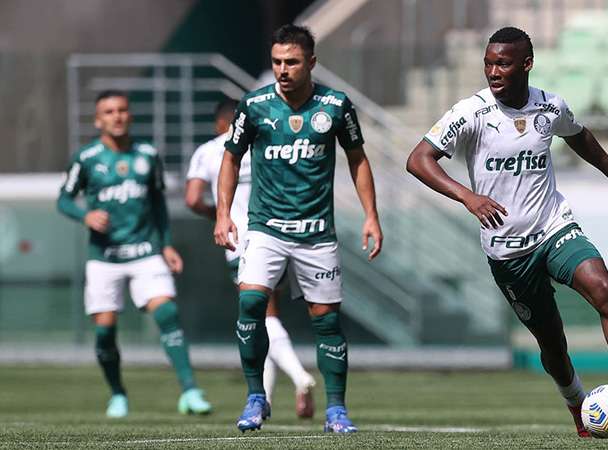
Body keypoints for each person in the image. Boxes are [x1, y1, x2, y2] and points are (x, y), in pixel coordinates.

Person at [406, 27, 608, 436]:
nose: (493, 71)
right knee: (552, 343)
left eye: (502, 63)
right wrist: (468, 196)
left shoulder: (550, 107)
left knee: (605, 292)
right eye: (488, 63)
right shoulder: (471, 112)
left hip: (553, 228)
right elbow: (418, 159)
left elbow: (579, 136)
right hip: (507, 251)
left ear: (526, 64)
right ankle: (577, 407)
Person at [214, 24, 382, 433]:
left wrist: (371, 215)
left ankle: (337, 410)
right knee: (251, 303)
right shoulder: (254, 106)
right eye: (276, 62)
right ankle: (257, 397)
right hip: (265, 229)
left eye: (291, 62)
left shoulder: (336, 106)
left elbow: (358, 159)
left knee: (325, 320)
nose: (282, 69)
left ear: (311, 62)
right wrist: (223, 214)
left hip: (317, 234)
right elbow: (230, 159)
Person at [57, 90, 212, 418]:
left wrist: (166, 244)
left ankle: (191, 391)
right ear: (98, 120)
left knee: (167, 315)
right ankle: (117, 394)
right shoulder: (86, 158)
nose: (117, 116)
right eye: (109, 111)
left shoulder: (148, 154)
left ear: (130, 115)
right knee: (104, 332)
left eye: (122, 110)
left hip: (145, 252)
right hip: (104, 257)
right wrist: (84, 215)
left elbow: (158, 204)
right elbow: (64, 199)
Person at [185, 98, 316, 418]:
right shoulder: (264, 144)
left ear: (219, 123)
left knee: (257, 319)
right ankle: (264, 399)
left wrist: (218, 215)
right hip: (276, 235)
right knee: (269, 315)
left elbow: (191, 198)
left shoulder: (210, 150)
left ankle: (300, 376)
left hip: (240, 241)